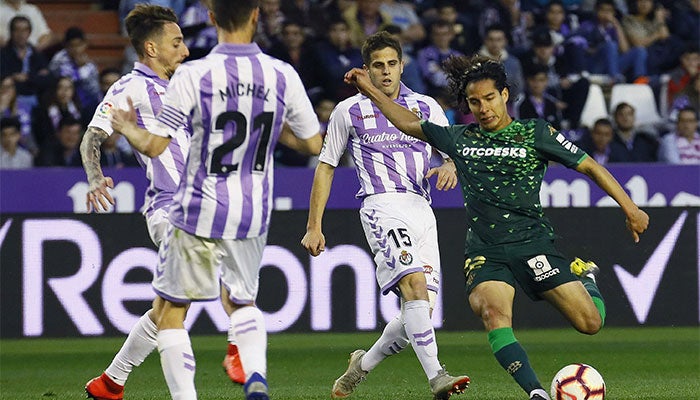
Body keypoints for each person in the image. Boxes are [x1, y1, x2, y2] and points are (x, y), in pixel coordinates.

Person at [344, 54, 649, 400]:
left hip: (534, 244)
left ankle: (586, 278)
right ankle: (536, 393)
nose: (483, 108)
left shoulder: (534, 133)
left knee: (590, 324)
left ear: (504, 95)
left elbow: (590, 166)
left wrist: (630, 208)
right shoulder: (459, 138)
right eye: (474, 102)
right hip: (486, 252)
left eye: (489, 98)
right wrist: (370, 90)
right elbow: (406, 123)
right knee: (493, 312)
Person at [110, 1, 323, 399]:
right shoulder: (281, 74)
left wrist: (128, 128)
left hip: (197, 207)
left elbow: (156, 146)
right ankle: (256, 374)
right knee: (241, 302)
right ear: (256, 16)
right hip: (253, 209)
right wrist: (273, 127)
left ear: (211, 18)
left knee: (171, 312)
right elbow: (313, 143)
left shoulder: (194, 73)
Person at [301, 31, 470, 400]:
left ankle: (360, 367)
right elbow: (326, 166)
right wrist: (315, 225)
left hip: (422, 210)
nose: (386, 72)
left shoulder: (426, 107)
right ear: (367, 70)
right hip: (381, 205)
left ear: (402, 65)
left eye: (392, 64)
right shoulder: (349, 111)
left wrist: (451, 166)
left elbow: (453, 150)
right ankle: (437, 376)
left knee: (418, 312)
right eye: (378, 66)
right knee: (414, 288)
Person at [80, 5, 192, 400]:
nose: (186, 50)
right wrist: (95, 177)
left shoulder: (183, 85)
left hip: (200, 208)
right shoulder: (128, 87)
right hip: (169, 207)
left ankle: (110, 382)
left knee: (170, 306)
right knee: (181, 308)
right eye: (176, 42)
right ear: (151, 47)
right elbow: (93, 136)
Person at [49, 27, 102, 117]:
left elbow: (94, 90)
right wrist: (80, 70)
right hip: (63, 101)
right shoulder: (58, 60)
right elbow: (64, 82)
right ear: (66, 45)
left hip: (86, 103)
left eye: (79, 45)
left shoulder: (89, 65)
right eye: (72, 46)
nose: (76, 49)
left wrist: (83, 68)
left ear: (85, 44)